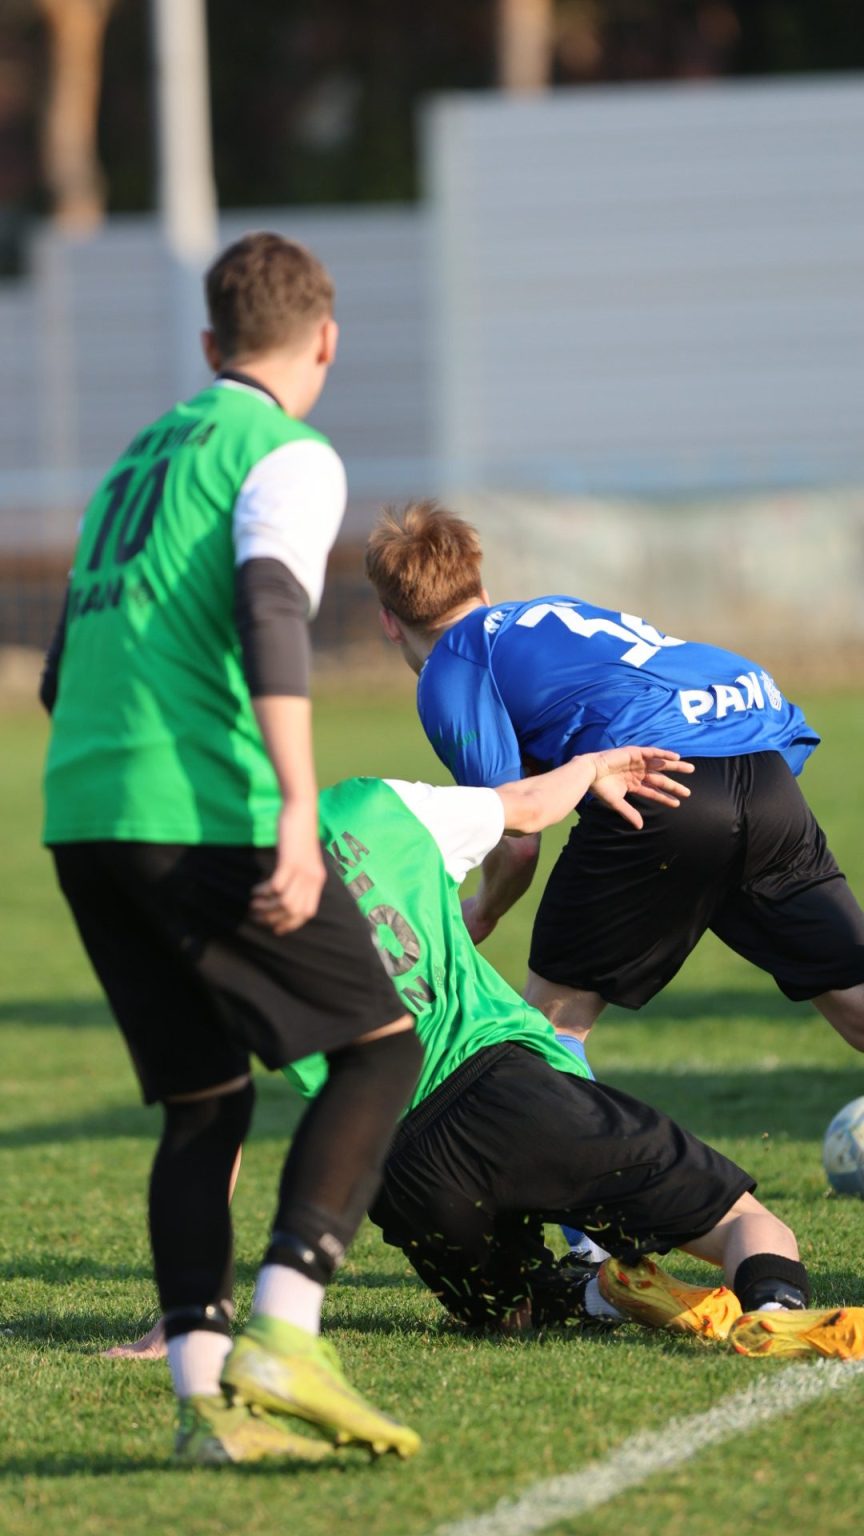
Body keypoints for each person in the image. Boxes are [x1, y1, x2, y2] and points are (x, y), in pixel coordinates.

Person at [40, 232, 426, 1467]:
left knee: (204, 1101)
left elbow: (60, 670)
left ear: (211, 343)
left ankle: (208, 1412)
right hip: (195, 807)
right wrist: (297, 807)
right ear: (326, 340)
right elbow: (270, 606)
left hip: (82, 811)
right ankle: (287, 1332)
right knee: (379, 1047)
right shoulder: (284, 451)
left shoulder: (137, 460)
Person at [283, 764, 864, 1361]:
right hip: (509, 1091)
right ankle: (774, 1314)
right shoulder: (370, 806)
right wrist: (592, 768)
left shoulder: (221, 915)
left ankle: (606, 1296)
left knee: (510, 1313)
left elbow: (224, 1119)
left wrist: (216, 1298)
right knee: (746, 1223)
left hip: (395, 1162)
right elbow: (529, 810)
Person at [364, 502, 864, 1064]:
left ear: (389, 621)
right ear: (481, 588)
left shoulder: (453, 665)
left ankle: (569, 1124)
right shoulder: (550, 612)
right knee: (854, 997)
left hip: (659, 788)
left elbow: (517, 837)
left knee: (552, 1023)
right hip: (762, 773)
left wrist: (484, 910)